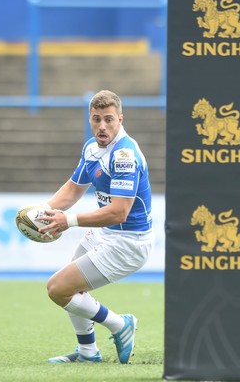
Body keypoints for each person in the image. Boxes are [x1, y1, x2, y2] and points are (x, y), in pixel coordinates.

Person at [37, 90, 153, 364]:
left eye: (109, 120)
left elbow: (119, 212)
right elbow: (74, 188)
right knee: (70, 285)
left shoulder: (124, 155)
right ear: (90, 119)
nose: (102, 126)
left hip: (129, 243)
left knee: (58, 288)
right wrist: (44, 211)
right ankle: (88, 353)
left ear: (120, 119)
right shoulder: (92, 147)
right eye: (96, 119)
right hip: (106, 234)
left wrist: (70, 220)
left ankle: (119, 324)